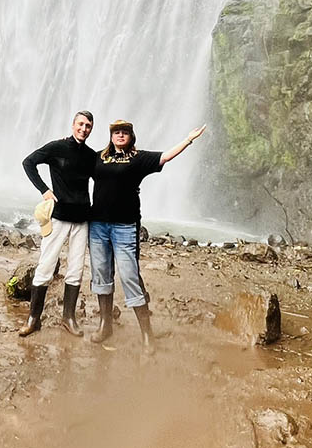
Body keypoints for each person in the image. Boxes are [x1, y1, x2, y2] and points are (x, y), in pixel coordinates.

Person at [90, 119, 206, 353]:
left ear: (131, 136)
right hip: (98, 225)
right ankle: (105, 325)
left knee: (130, 275)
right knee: (101, 273)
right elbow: (73, 160)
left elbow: (165, 156)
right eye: (116, 132)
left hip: (125, 226)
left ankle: (147, 333)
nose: (120, 135)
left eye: (124, 132)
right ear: (111, 136)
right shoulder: (98, 157)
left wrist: (188, 139)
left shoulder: (139, 158)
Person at [20, 110, 95, 337]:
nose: (84, 129)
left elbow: (108, 174)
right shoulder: (57, 147)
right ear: (72, 125)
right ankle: (34, 319)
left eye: (88, 126)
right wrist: (44, 190)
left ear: (91, 129)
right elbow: (28, 162)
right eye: (80, 124)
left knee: (76, 270)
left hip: (82, 220)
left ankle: (68, 318)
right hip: (59, 218)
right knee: (45, 266)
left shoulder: (91, 156)